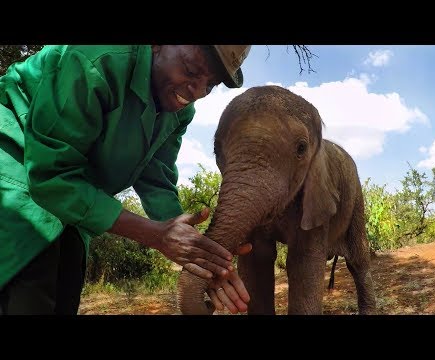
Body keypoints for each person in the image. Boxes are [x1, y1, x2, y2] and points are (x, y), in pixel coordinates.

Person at [0, 45, 252, 315]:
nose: (199, 92)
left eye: (211, 85)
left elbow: (156, 175)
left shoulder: (179, 112)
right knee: (34, 266)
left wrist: (196, 252)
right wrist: (155, 236)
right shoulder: (96, 57)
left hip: (72, 187)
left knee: (68, 276)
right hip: (17, 156)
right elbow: (49, 175)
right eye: (191, 71)